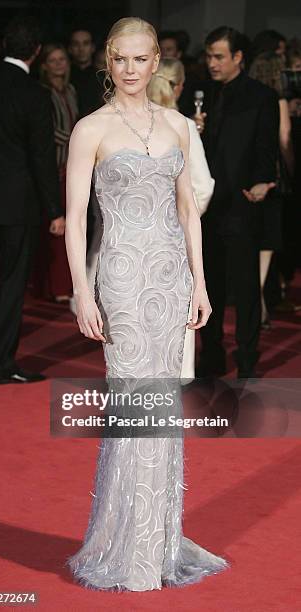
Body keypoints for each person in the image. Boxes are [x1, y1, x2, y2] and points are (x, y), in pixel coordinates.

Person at [65, 16, 229, 591]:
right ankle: (130, 554)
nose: (131, 71)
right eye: (120, 60)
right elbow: (78, 219)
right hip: (122, 281)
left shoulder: (181, 127)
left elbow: (189, 214)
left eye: (141, 60)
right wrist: (82, 292)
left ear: (156, 62)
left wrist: (200, 283)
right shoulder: (90, 129)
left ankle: (157, 544)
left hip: (168, 278)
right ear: (107, 63)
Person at [0, 16, 64, 384]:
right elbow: (41, 157)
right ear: (37, 52)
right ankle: (1, 366)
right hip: (16, 203)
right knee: (12, 282)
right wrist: (54, 210)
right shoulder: (34, 94)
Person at [194, 26, 279, 378]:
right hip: (206, 206)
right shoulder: (203, 94)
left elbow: (266, 145)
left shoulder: (262, 96)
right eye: (209, 56)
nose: (212, 63)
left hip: (243, 204)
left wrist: (262, 183)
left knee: (245, 288)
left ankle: (246, 356)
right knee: (207, 285)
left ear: (237, 58)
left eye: (219, 57)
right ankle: (211, 355)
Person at [147, 57, 214, 381]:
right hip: (158, 240)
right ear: (179, 86)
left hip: (154, 239)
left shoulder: (181, 126)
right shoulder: (182, 126)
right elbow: (203, 187)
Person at [249, 52, 294, 328]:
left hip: (246, 173)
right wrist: (292, 170)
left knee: (252, 238)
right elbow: (285, 137)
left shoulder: (247, 95)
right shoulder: (277, 99)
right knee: (266, 241)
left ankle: (256, 301)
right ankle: (260, 298)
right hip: (271, 175)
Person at [32, 43, 78, 303]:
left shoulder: (70, 90)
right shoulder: (44, 93)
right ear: (45, 65)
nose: (60, 64)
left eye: (63, 59)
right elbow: (47, 131)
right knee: (54, 228)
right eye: (54, 60)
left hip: (72, 165)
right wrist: (78, 141)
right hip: (54, 165)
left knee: (68, 227)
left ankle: (63, 283)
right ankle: (53, 286)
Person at [68, 26, 103, 117]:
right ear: (70, 48)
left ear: (92, 47)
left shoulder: (102, 78)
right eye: (76, 44)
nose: (81, 49)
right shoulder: (64, 77)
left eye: (85, 43)